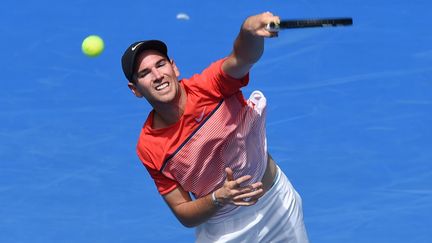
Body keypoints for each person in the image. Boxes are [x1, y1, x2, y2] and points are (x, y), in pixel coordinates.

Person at [121, 11, 309, 243]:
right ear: (136, 89)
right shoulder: (149, 146)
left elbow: (242, 57)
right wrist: (219, 197)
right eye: (145, 73)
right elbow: (183, 212)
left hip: (276, 205)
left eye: (161, 65)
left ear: (174, 67)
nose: (158, 75)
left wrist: (248, 31)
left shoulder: (209, 86)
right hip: (224, 232)